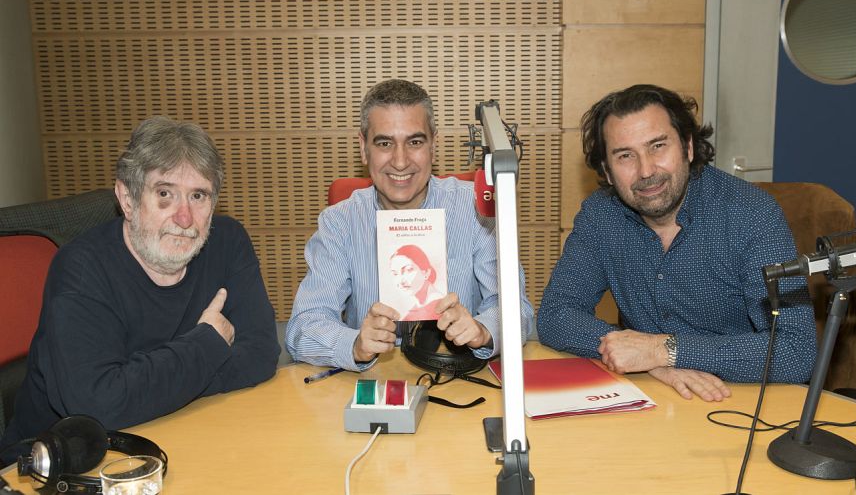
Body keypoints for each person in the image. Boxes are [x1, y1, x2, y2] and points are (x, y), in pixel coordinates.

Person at [0, 116, 280, 465]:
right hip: (64, 462)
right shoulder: (81, 269)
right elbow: (97, 406)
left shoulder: (228, 242)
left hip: (184, 436)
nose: (184, 217)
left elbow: (262, 354)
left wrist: (143, 386)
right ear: (127, 200)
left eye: (198, 196)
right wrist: (208, 344)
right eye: (165, 194)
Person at [537, 84, 817, 402]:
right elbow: (555, 314)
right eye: (625, 155)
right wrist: (643, 359)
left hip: (739, 401)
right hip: (651, 399)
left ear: (688, 147)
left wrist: (664, 350)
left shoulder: (752, 215)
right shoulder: (601, 216)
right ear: (608, 172)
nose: (646, 170)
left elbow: (796, 351)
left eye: (658, 146)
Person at [285, 79, 534, 371]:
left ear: (433, 146)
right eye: (384, 143)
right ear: (364, 148)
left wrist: (483, 331)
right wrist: (354, 344)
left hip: (456, 378)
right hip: (373, 383)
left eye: (415, 142)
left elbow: (518, 311)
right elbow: (303, 327)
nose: (400, 161)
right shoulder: (340, 222)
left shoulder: (476, 209)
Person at [389, 244, 444, 321]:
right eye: (395, 273)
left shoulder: (440, 307)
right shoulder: (411, 313)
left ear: (426, 272)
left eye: (408, 270)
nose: (400, 281)